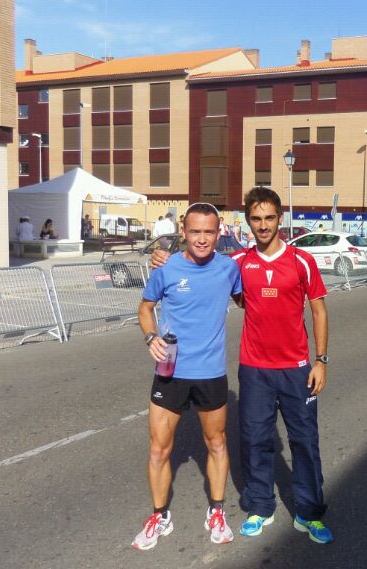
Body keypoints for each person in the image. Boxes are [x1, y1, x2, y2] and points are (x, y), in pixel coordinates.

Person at [133, 203, 243, 551]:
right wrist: (151, 337)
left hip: (211, 372)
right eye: (195, 231)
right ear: (184, 230)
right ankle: (159, 515)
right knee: (158, 449)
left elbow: (249, 302)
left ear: (219, 230)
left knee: (217, 443)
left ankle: (216, 511)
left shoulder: (229, 268)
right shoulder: (166, 267)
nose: (201, 239)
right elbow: (145, 308)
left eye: (208, 232)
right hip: (170, 371)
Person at [230, 187, 332, 544]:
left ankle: (309, 512)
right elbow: (205, 273)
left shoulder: (302, 261)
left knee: (304, 441)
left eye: (269, 218)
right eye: (256, 219)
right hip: (255, 369)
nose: (263, 225)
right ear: (248, 221)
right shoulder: (239, 262)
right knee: (255, 440)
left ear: (279, 218)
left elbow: (318, 310)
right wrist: (167, 260)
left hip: (297, 368)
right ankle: (260, 506)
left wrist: (320, 361)